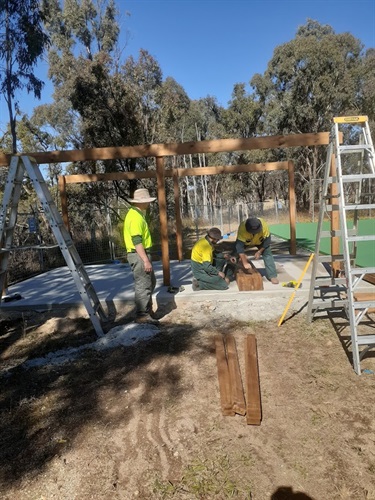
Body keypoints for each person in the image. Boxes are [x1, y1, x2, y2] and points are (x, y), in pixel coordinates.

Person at [123, 188, 159, 325]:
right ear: (141, 202)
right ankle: (142, 315)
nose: (149, 203)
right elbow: (136, 240)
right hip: (138, 255)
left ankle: (147, 310)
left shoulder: (137, 214)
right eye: (147, 201)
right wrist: (145, 260)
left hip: (140, 254)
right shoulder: (135, 217)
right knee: (143, 284)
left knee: (150, 281)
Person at [235, 217, 279, 284]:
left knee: (267, 253)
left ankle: (272, 276)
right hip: (247, 241)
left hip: (260, 241)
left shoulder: (264, 225)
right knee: (234, 253)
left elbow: (267, 241)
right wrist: (245, 262)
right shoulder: (242, 227)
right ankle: (230, 275)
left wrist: (259, 251)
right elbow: (239, 247)